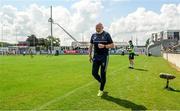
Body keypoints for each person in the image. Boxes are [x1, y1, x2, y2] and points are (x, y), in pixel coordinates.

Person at [89, 23, 114, 97]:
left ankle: (101, 90)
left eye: (99, 27)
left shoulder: (106, 34)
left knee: (103, 74)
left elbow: (112, 45)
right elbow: (90, 45)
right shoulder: (93, 35)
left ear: (102, 27)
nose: (97, 28)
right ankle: (101, 82)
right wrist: (89, 55)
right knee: (94, 73)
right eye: (96, 27)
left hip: (104, 57)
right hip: (96, 57)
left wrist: (104, 46)